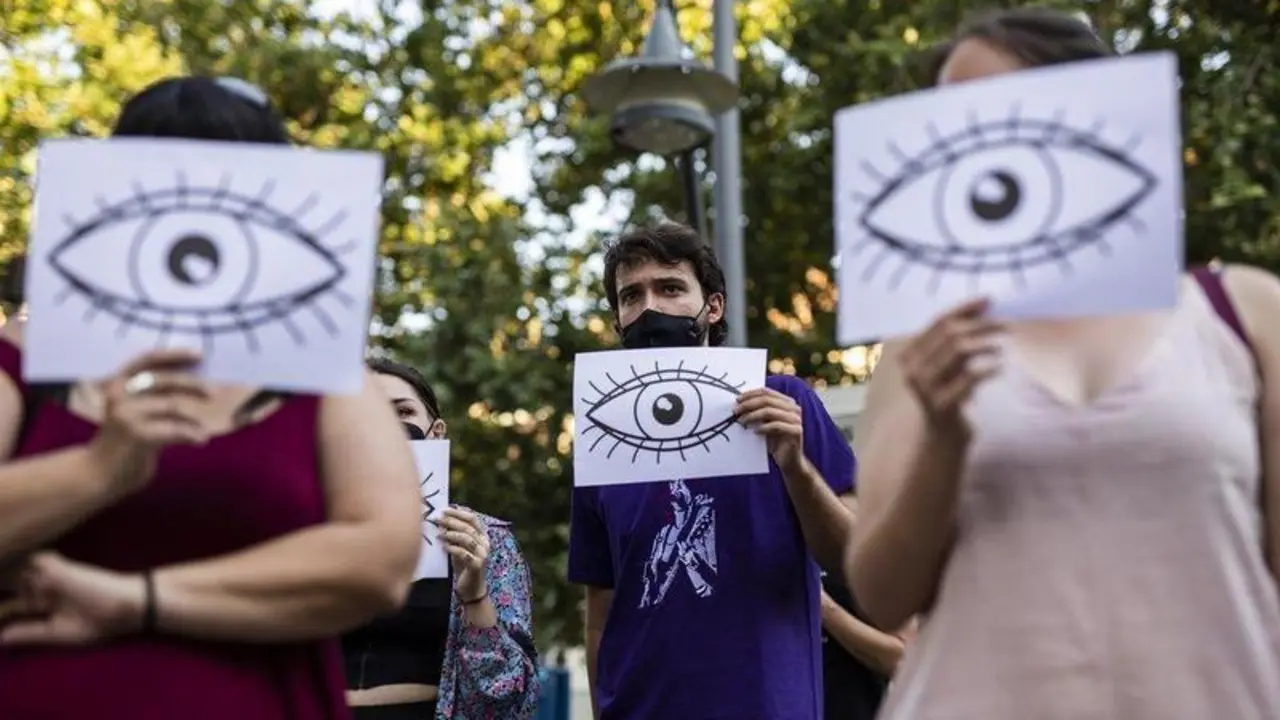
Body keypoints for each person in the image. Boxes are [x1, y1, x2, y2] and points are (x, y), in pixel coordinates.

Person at [846, 8, 1280, 719]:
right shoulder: (922, 345)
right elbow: (884, 592)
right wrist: (946, 438)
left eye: (999, 112)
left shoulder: (1243, 312)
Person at [0, 76, 422, 719]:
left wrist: (135, 600)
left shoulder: (321, 374)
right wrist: (97, 470)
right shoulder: (26, 359)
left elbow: (381, 560)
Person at [568, 222, 856, 719]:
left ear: (713, 307)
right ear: (617, 318)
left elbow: (853, 556)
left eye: (672, 288)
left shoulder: (785, 403)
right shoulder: (601, 437)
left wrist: (796, 466)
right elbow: (601, 608)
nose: (650, 307)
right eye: (631, 295)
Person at [344, 357, 539, 719]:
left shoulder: (484, 541)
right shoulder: (304, 533)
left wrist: (474, 594)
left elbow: (511, 699)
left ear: (436, 432)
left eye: (402, 411)